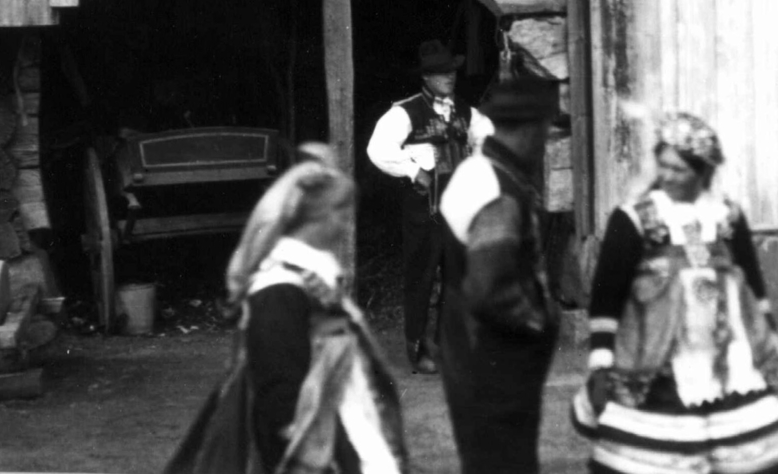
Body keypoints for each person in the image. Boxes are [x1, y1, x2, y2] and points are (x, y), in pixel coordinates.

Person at [571, 112, 778, 474]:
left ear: (703, 172)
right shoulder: (635, 219)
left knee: (742, 445)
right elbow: (607, 297)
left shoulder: (727, 216)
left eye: (679, 170)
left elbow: (754, 287)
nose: (666, 176)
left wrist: (771, 339)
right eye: (662, 165)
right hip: (656, 351)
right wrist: (601, 360)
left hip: (728, 349)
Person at [166, 145, 408, 474]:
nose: (346, 223)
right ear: (318, 216)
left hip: (338, 426)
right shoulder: (279, 288)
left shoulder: (308, 277)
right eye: (342, 211)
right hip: (312, 451)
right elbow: (280, 398)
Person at [437, 77, 561, 474]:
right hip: (493, 358)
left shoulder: (479, 171)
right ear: (529, 129)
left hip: (472, 349)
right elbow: (490, 291)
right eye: (545, 129)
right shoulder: (497, 191)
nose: (546, 140)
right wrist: (540, 321)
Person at [366, 40, 492, 375]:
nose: (449, 77)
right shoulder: (405, 112)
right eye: (440, 72)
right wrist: (413, 169)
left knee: (457, 277)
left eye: (451, 70)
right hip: (424, 212)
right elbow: (378, 149)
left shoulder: (467, 113)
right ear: (426, 78)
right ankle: (417, 347)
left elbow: (488, 142)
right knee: (420, 277)